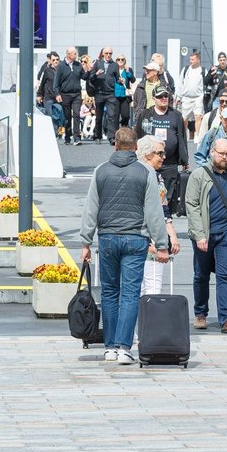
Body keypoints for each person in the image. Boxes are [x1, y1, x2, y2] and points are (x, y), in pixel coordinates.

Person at [78, 128, 171, 365]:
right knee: (130, 293)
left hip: (107, 237)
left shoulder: (100, 171)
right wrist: (161, 245)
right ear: (135, 148)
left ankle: (109, 347)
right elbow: (154, 212)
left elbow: (91, 208)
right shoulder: (146, 172)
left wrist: (86, 241)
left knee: (109, 292)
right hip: (136, 238)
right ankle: (124, 348)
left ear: (116, 145)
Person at [186, 138, 227, 334]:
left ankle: (226, 319)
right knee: (201, 275)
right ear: (212, 152)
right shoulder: (199, 175)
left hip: (225, 233)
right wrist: (199, 236)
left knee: (225, 275)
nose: (225, 157)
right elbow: (192, 206)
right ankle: (200, 314)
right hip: (204, 234)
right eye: (221, 153)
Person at [135, 84, 190, 216]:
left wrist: (184, 160)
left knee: (168, 196)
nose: (164, 98)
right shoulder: (145, 114)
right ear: (154, 98)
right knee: (148, 194)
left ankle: (166, 222)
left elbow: (182, 138)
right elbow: (138, 136)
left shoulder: (176, 115)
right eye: (160, 96)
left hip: (169, 163)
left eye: (166, 96)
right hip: (149, 162)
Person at [137, 134, 181, 296]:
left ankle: (146, 320)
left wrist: (173, 236)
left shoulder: (157, 175)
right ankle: (145, 320)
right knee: (146, 288)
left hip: (156, 239)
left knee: (152, 286)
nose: (164, 157)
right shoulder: (141, 176)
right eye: (160, 153)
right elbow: (140, 212)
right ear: (147, 154)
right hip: (144, 239)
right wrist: (149, 240)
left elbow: (164, 209)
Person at [54, 47, 84, 145]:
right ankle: (67, 136)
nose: (76, 55)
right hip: (65, 94)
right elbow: (56, 82)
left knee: (76, 114)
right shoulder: (61, 66)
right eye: (75, 53)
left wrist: (90, 72)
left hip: (76, 94)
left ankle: (76, 137)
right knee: (67, 117)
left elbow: (84, 76)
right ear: (68, 54)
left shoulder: (78, 65)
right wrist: (57, 94)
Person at [90, 47, 118, 142]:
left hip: (110, 93)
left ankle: (111, 137)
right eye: (107, 53)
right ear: (103, 54)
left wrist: (120, 81)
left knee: (111, 115)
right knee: (99, 116)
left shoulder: (114, 65)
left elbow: (117, 78)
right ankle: (97, 136)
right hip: (99, 93)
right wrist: (96, 74)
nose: (109, 55)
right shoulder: (97, 63)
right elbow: (91, 78)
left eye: (110, 53)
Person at [179, 50, 207, 139]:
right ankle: (184, 135)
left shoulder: (203, 70)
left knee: (198, 116)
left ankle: (197, 135)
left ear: (198, 60)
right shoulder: (186, 69)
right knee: (184, 118)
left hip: (198, 97)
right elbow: (180, 83)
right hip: (186, 97)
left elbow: (206, 82)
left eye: (193, 59)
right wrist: (179, 96)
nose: (191, 61)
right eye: (190, 59)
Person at [35, 51, 59, 133]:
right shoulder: (47, 70)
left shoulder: (61, 70)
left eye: (57, 60)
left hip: (58, 96)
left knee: (57, 114)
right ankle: (52, 132)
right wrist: (39, 94)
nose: (55, 61)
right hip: (48, 96)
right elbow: (42, 83)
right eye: (53, 60)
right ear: (50, 60)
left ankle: (55, 131)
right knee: (50, 114)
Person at [111, 54, 136, 131]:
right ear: (116, 61)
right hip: (115, 95)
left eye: (122, 59)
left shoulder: (128, 69)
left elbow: (133, 80)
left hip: (125, 96)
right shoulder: (113, 69)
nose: (120, 61)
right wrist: (118, 81)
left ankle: (123, 127)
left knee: (126, 115)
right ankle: (116, 133)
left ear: (125, 61)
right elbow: (110, 80)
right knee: (115, 115)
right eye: (118, 59)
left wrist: (128, 73)